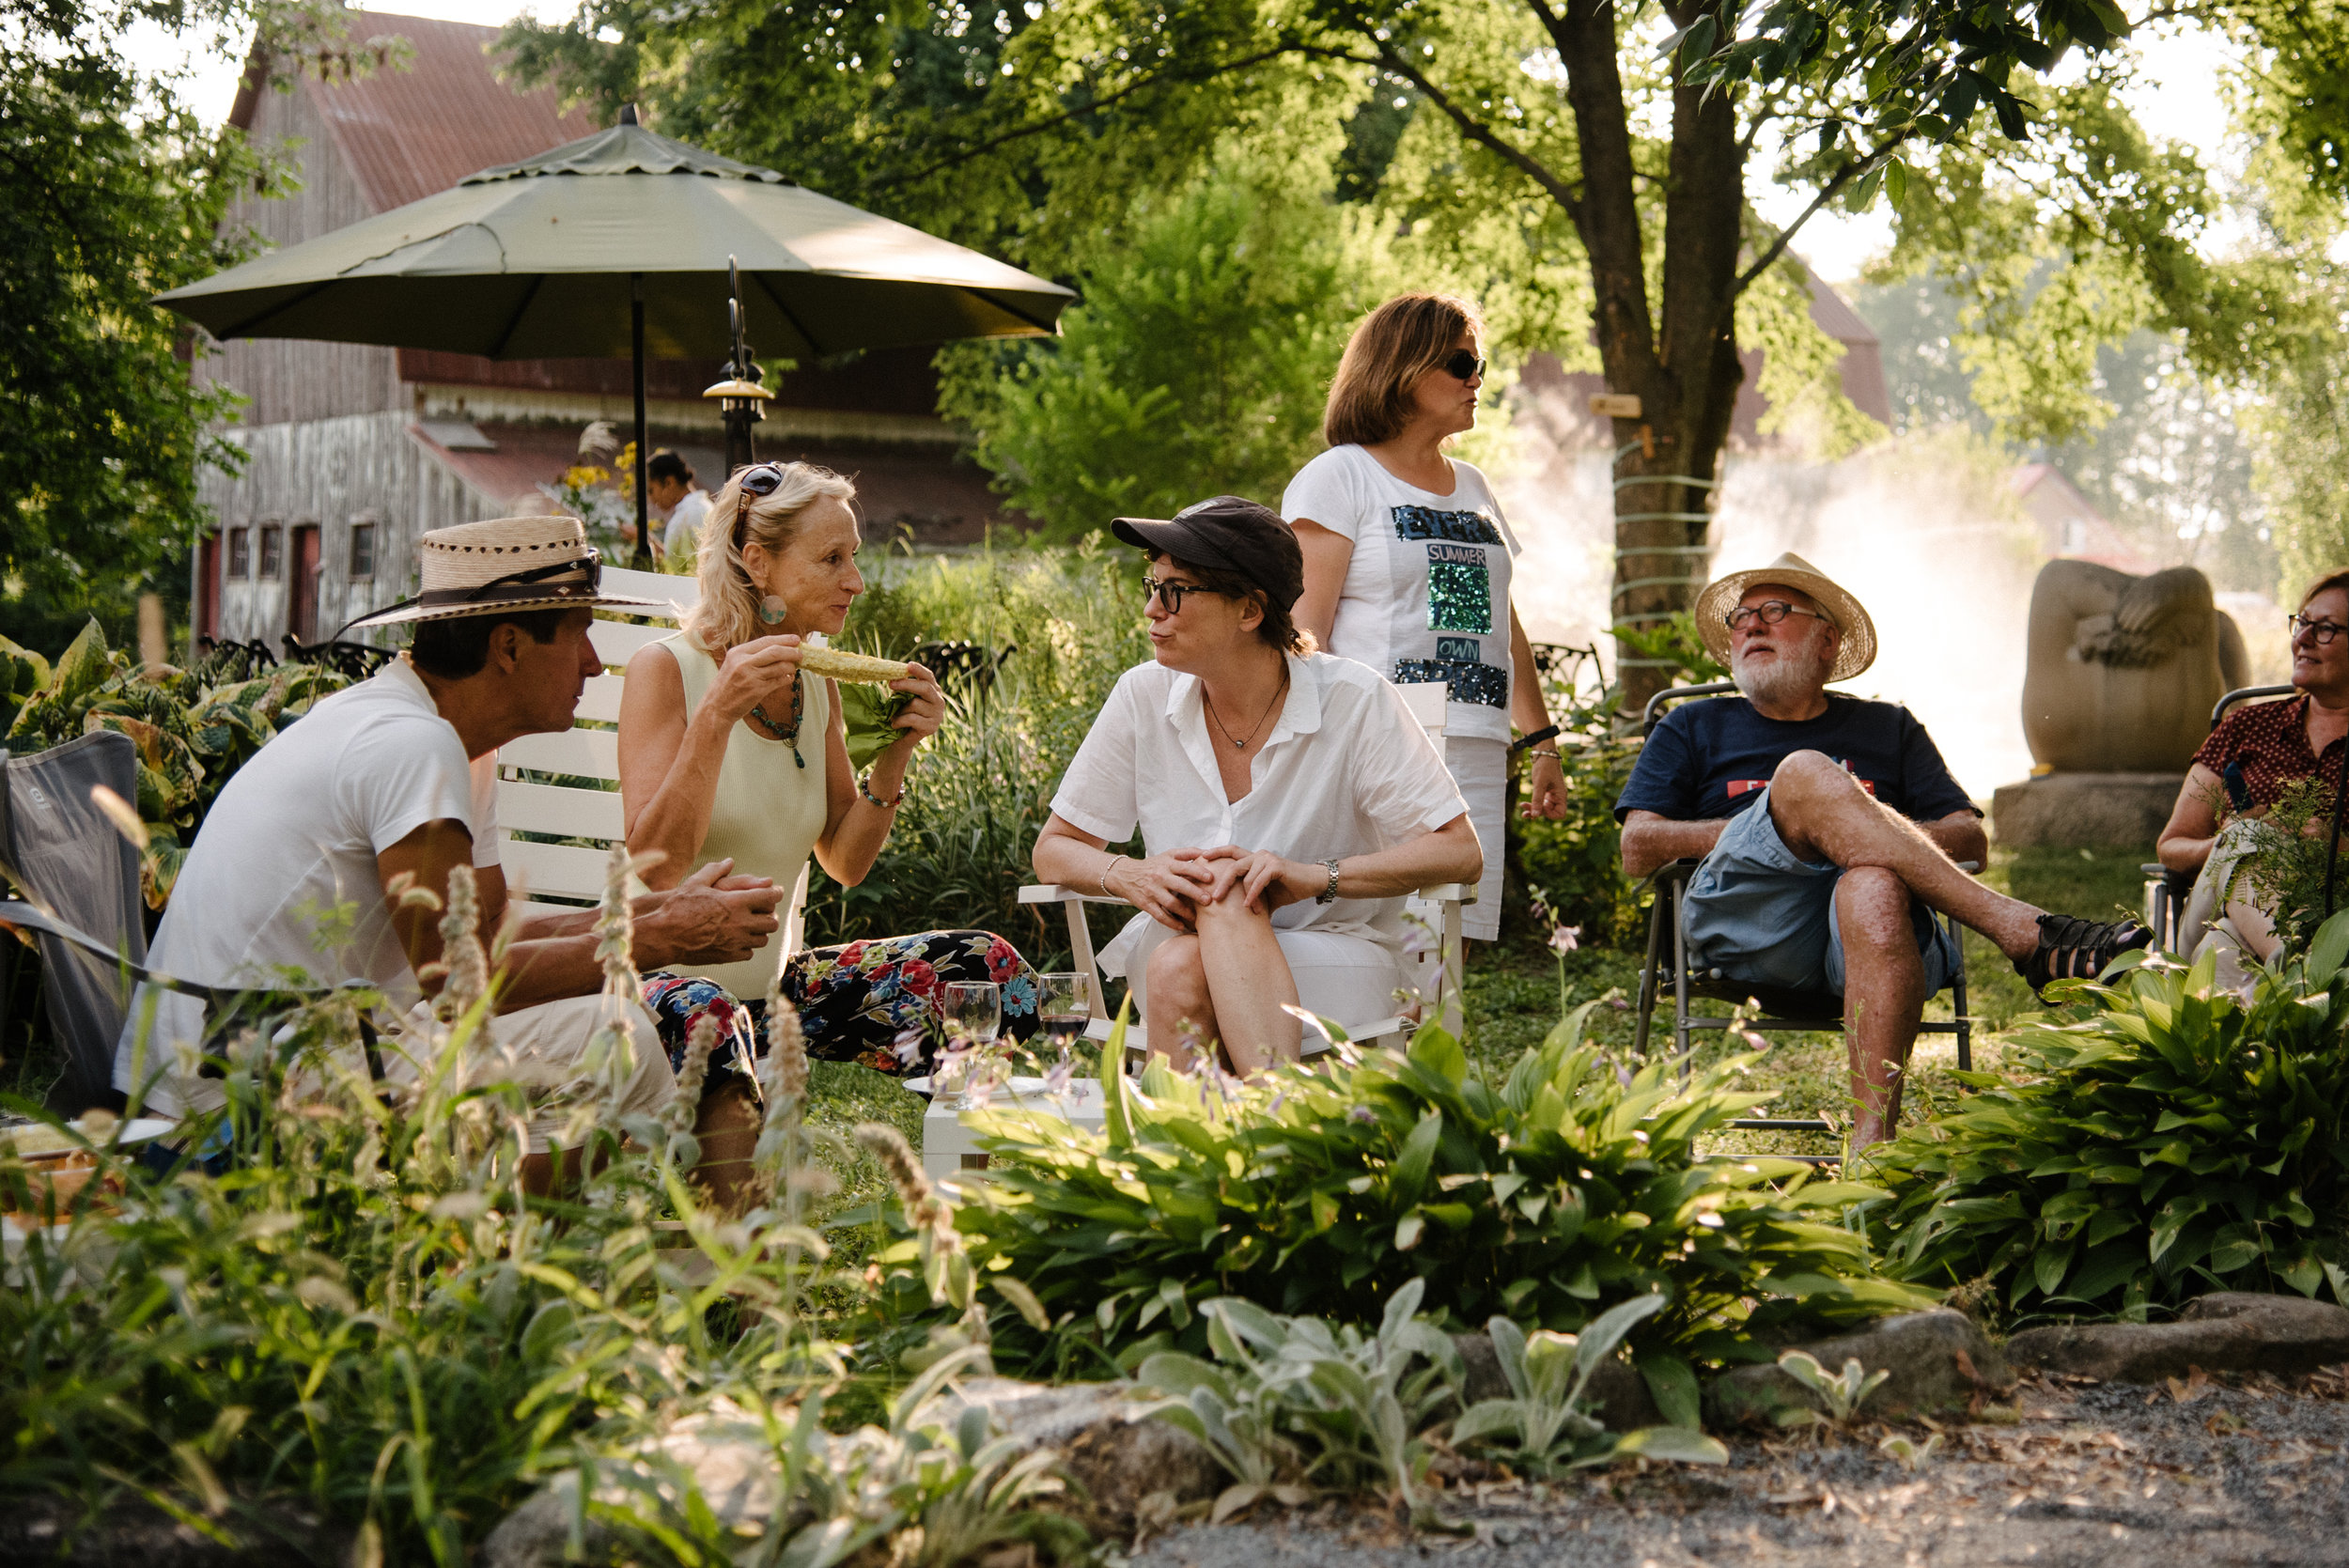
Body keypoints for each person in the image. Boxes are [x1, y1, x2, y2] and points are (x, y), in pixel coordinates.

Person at [112, 517, 786, 1186]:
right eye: (580, 632)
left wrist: (661, 911)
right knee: (624, 1044)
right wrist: (661, 935)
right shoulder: (412, 744)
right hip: (226, 1101)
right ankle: (490, 1257)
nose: (592, 660)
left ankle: (483, 1244)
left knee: (614, 1022)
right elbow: (461, 987)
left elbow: (488, 935)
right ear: (509, 646)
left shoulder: (456, 743)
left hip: (305, 1046)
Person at [1616, 551, 2151, 1150]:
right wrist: (1791, 819)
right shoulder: (1692, 727)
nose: (1750, 626)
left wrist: (1859, 839)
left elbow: (1971, 838)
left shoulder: (1888, 728)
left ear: (1826, 640)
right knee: (1803, 776)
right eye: (1741, 617)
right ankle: (2023, 931)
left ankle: (1873, 1151)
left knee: (1871, 881)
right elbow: (1637, 847)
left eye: (1773, 611)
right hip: (1749, 926)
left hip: (1873, 937)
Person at [617, 460, 1043, 1122]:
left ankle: (967, 1184)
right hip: (665, 988)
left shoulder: (815, 684)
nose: (856, 580)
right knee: (716, 1018)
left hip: (780, 993)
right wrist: (718, 715)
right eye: (832, 559)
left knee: (986, 970)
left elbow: (844, 862)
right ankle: (740, 1224)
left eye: (855, 556)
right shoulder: (666, 671)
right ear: (758, 563)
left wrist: (897, 753)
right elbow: (656, 868)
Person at [1031, 496, 1482, 1074]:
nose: (1151, 609)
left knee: (1207, 913)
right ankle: (1274, 1117)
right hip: (1175, 941)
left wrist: (1314, 877)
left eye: (1176, 591)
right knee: (1213, 900)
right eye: (1152, 584)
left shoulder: (1353, 699)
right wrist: (1132, 874)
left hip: (1332, 954)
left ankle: (1193, 1153)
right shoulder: (1142, 695)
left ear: (1249, 610)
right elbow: (1054, 850)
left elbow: (1459, 851)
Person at [1281, 292, 1567, 944]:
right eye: (1461, 363)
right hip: (1382, 746)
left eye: (1480, 365)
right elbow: (1304, 635)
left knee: (1449, 953)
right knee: (1385, 943)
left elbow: (1500, 622)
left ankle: (1437, 1053)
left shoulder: (1473, 486)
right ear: (1403, 369)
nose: (1476, 380)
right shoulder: (1340, 478)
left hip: (1473, 743)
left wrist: (1541, 740)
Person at [2155, 570, 2349, 972]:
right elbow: (2171, 847)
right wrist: (2229, 845)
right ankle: (2305, 972)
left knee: (2220, 947)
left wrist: (2336, 848)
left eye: (2326, 629)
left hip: (2336, 919)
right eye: (2302, 623)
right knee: (2247, 833)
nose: (2301, 639)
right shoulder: (2245, 728)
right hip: (2220, 897)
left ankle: (2290, 992)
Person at [649, 450, 713, 564]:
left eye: (651, 490)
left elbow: (671, 567)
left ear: (669, 482)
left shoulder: (685, 516)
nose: (652, 499)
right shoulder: (705, 506)